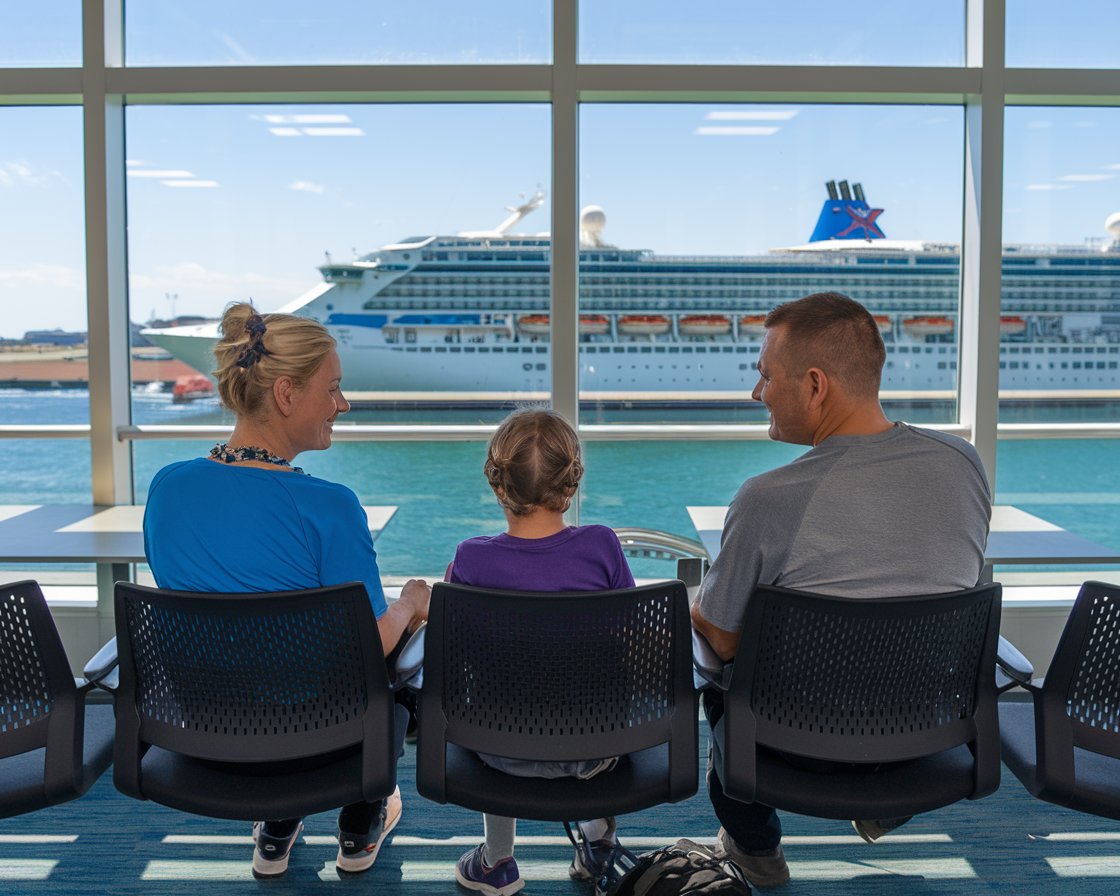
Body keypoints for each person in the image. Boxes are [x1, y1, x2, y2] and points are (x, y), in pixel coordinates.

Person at [690, 292, 991, 888]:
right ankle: (882, 799)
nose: (757, 393)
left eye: (766, 376)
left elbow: (722, 639)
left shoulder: (766, 497)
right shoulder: (964, 463)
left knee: (718, 677)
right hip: (923, 735)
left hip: (794, 742)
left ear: (816, 385)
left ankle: (756, 852)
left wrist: (698, 603)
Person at [143, 302, 430, 879]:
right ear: (285, 394)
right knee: (402, 644)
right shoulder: (330, 506)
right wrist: (409, 604)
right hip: (319, 744)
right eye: (334, 389)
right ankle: (358, 825)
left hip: (206, 735)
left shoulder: (167, 488)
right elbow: (370, 645)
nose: (342, 405)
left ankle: (278, 827)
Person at [446, 409, 635, 896]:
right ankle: (597, 841)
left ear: (498, 485)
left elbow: (454, 654)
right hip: (597, 746)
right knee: (580, 695)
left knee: (501, 699)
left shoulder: (471, 558)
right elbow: (632, 636)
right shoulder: (602, 546)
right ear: (570, 485)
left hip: (499, 748)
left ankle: (496, 861)